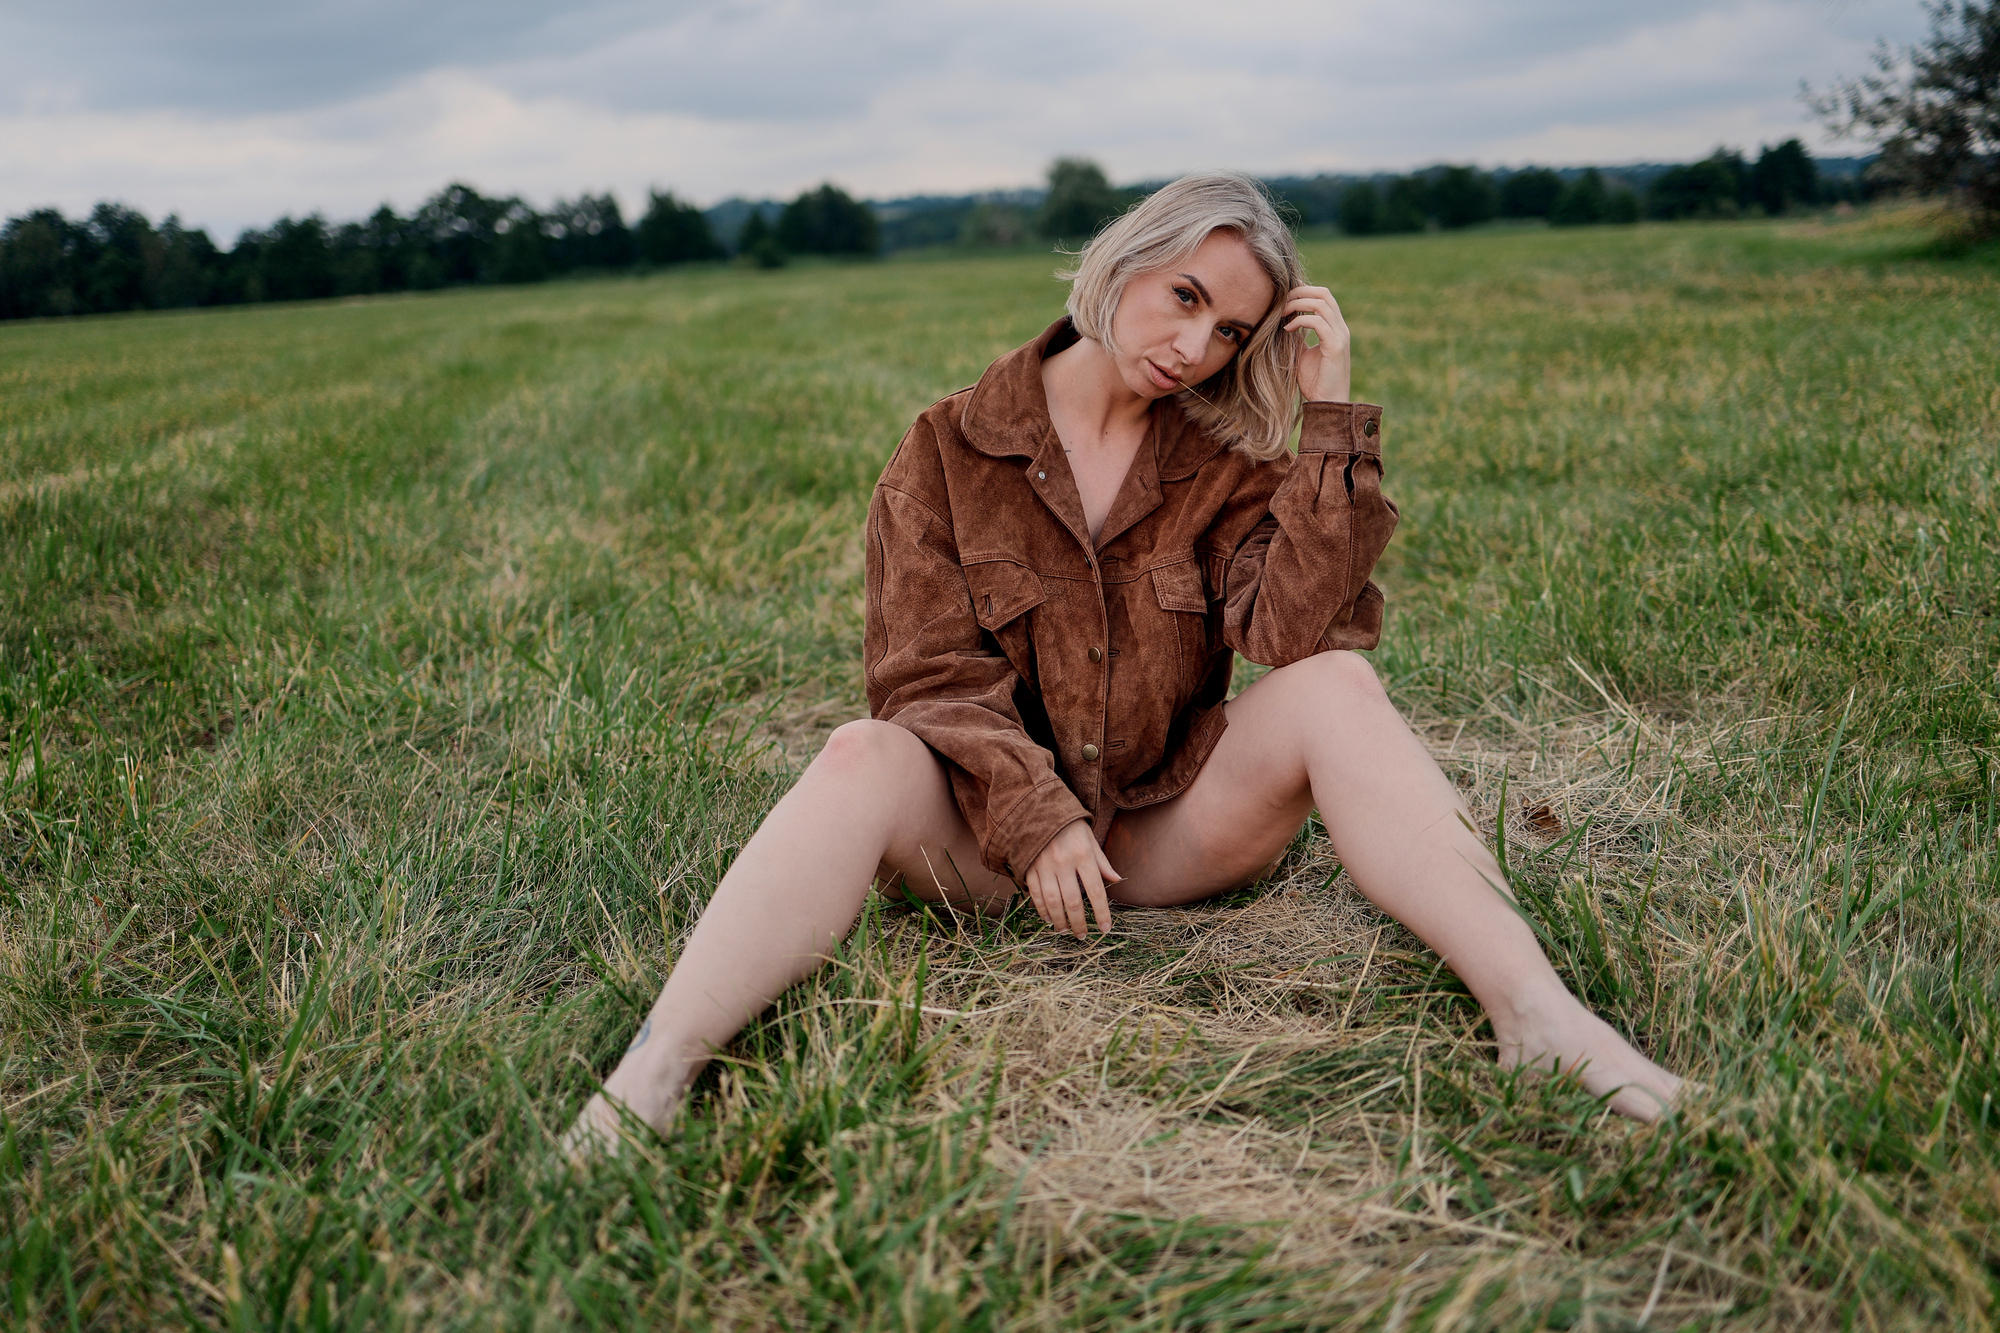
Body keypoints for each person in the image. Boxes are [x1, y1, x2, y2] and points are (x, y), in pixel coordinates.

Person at [563, 173, 1680, 1158]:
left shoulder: (1224, 463)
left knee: (1338, 686)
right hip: (980, 843)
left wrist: (1330, 415)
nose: (1195, 348)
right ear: (1125, 260)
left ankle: (1537, 1017)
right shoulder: (945, 447)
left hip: (1158, 834)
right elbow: (925, 677)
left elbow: (1290, 636)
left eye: (1231, 332)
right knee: (862, 750)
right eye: (1184, 297)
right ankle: (652, 1073)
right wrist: (1037, 815)